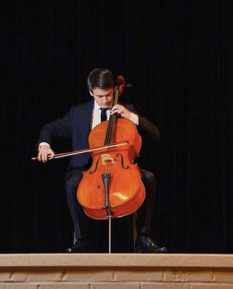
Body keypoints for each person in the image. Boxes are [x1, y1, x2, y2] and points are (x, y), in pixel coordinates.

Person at [36, 68, 167, 253]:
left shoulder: (126, 109)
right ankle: (82, 240)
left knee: (149, 179)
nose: (105, 100)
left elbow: (155, 134)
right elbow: (50, 128)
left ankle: (143, 238)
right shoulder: (78, 113)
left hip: (121, 167)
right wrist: (44, 145)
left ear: (114, 89)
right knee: (73, 184)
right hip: (88, 169)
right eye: (100, 96)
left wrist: (130, 116)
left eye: (108, 95)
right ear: (91, 92)